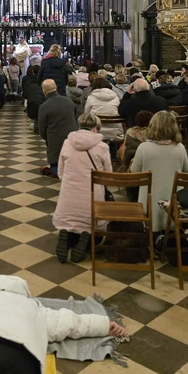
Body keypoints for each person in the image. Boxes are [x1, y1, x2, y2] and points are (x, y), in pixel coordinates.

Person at [54, 113, 112, 263]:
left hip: (68, 197)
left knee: (69, 219)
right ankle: (87, 234)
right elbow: (107, 175)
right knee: (92, 218)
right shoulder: (102, 146)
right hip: (92, 196)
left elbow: (60, 172)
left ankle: (66, 233)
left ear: (79, 126)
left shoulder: (67, 143)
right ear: (95, 128)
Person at [131, 111, 188, 232]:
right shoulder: (179, 148)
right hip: (173, 204)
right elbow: (187, 169)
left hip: (149, 204)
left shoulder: (144, 148)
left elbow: (134, 172)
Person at [38, 79, 77, 177]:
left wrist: (47, 138)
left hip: (54, 140)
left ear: (44, 91)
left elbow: (42, 129)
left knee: (56, 166)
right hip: (72, 138)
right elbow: (75, 117)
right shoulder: (68, 101)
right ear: (56, 88)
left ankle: (58, 172)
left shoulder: (44, 106)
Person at [84, 77, 123, 143]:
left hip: (96, 131)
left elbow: (86, 114)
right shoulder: (115, 97)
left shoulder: (91, 97)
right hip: (115, 133)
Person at [24, 64, 44, 132]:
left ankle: (35, 126)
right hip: (41, 102)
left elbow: (25, 95)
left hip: (31, 103)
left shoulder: (29, 82)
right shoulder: (43, 81)